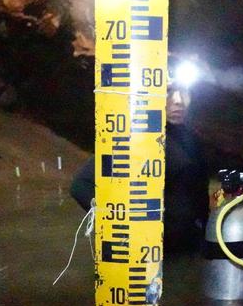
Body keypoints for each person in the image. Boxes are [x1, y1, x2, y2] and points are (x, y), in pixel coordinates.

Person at [71, 56, 209, 254]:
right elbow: (81, 186)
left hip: (188, 251)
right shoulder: (136, 137)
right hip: (148, 255)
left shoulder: (191, 139)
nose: (179, 100)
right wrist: (123, 226)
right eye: (168, 92)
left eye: (184, 91)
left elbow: (199, 195)